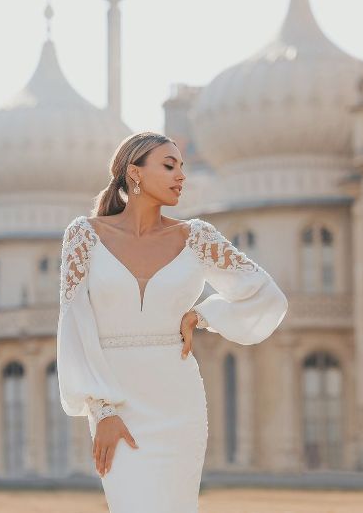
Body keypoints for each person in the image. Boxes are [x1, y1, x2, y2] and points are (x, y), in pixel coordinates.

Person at [57, 131, 288, 513]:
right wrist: (102, 410)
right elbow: (74, 323)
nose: (181, 176)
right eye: (168, 166)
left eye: (182, 167)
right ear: (135, 172)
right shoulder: (84, 236)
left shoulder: (197, 237)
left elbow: (267, 296)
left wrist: (205, 315)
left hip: (178, 406)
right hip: (116, 405)